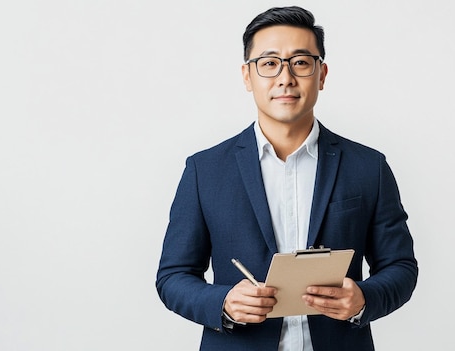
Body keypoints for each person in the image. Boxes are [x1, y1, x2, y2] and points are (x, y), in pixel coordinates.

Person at [156, 6, 417, 351]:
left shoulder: (368, 166)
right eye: (269, 63)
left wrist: (365, 298)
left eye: (300, 62)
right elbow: (172, 276)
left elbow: (400, 266)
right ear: (247, 77)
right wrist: (222, 303)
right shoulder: (205, 170)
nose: (285, 77)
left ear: (321, 74)